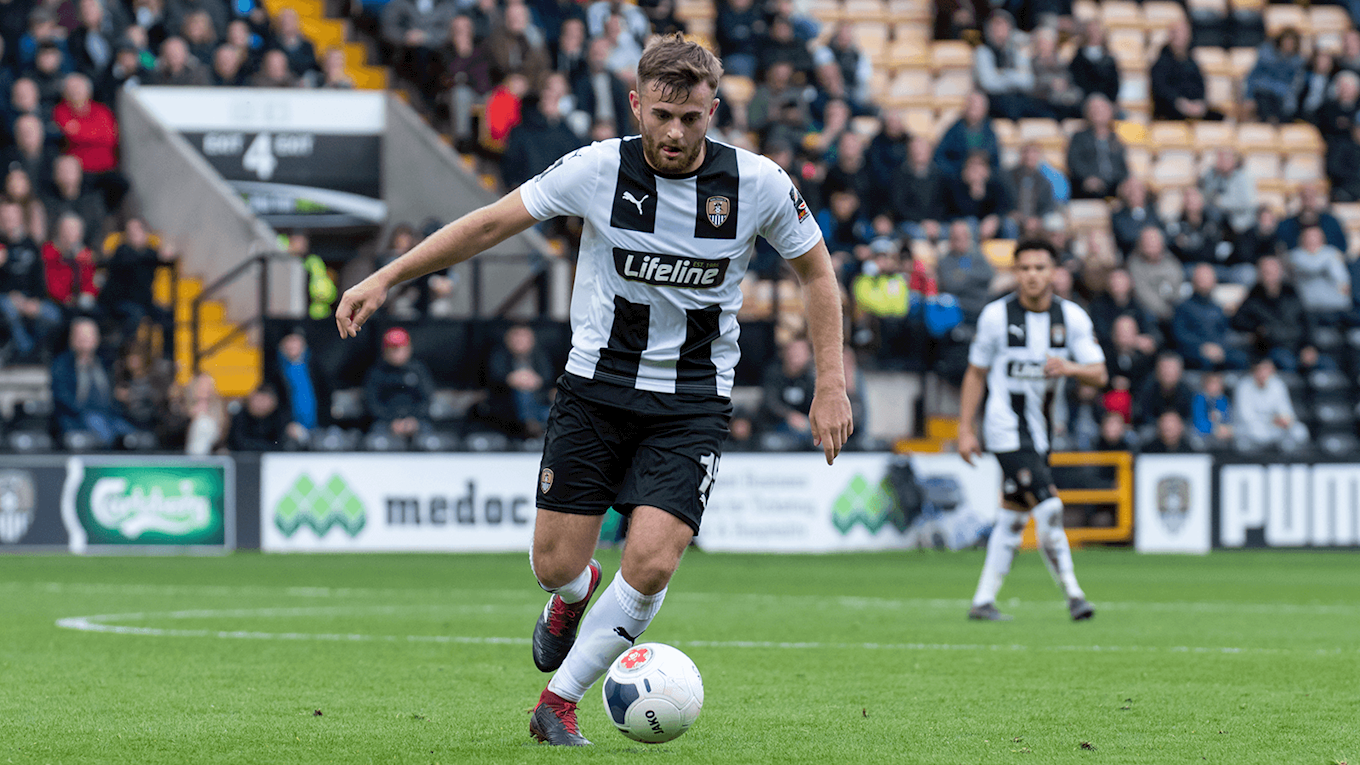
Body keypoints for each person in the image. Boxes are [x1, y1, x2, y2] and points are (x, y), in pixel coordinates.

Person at [333, 34, 852, 746]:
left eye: (692, 118)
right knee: (555, 563)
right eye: (663, 114)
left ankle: (560, 700)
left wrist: (832, 381)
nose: (675, 132)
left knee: (654, 559)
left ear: (714, 110)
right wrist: (387, 276)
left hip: (692, 402)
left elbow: (817, 274)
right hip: (596, 391)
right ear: (637, 103)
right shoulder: (596, 169)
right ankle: (574, 595)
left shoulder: (758, 183)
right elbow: (490, 222)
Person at [959, 238, 1105, 623]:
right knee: (1050, 505)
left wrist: (1070, 368)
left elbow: (1100, 373)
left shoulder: (1071, 318)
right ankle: (1074, 595)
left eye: (1040, 268)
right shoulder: (995, 316)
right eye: (1025, 268)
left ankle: (982, 602)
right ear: (1015, 273)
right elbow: (975, 372)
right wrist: (965, 429)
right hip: (1005, 429)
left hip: (1041, 433)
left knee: (1012, 518)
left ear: (1054, 272)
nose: (1032, 276)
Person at [51, 317, 138, 448]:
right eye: (81, 335)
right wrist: (88, 412)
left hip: (109, 417)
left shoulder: (104, 363)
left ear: (97, 338)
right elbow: (63, 398)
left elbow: (112, 397)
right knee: (100, 427)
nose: (85, 339)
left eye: (89, 335)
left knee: (133, 438)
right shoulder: (62, 365)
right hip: (77, 419)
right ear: (72, 339)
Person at [362, 325, 434, 442]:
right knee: (376, 438)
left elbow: (427, 399)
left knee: (429, 439)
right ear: (385, 350)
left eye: (400, 348)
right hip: (385, 422)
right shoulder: (376, 373)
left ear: (408, 348)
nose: (397, 353)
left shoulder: (418, 370)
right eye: (392, 349)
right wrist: (392, 422)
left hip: (416, 421)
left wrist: (413, 420)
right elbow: (372, 403)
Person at [486, 323, 558, 438]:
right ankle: (530, 424)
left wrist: (534, 381)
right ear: (508, 339)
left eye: (524, 337)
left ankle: (533, 424)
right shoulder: (499, 355)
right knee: (523, 391)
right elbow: (495, 378)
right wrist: (512, 379)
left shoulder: (540, 356)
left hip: (539, 400)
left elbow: (547, 378)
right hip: (509, 402)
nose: (520, 341)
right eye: (516, 337)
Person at [1233, 356, 1308, 452]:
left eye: (1267, 369)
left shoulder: (1278, 384)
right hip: (1253, 428)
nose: (1263, 373)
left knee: (1300, 431)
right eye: (1260, 369)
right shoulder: (1244, 385)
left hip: (1274, 427)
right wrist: (1271, 420)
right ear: (1254, 371)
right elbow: (1246, 416)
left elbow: (1286, 410)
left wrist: (1284, 419)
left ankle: (1286, 458)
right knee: (1254, 433)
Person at [1067, 94, 1128, 200]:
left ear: (1110, 112)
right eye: (1094, 109)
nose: (1098, 112)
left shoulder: (1115, 139)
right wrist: (1088, 177)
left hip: (1114, 184)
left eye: (1102, 109)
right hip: (1090, 184)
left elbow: (1123, 167)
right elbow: (1074, 163)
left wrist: (1124, 182)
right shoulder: (1079, 137)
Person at [228, 383, 289, 451]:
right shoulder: (239, 417)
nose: (260, 405)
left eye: (263, 400)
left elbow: (280, 444)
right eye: (257, 400)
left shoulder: (279, 418)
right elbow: (238, 442)